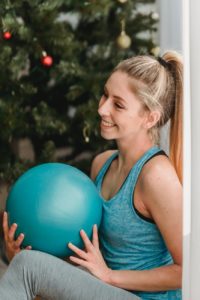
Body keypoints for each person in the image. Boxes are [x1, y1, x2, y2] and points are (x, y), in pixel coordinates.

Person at [0, 50, 182, 300]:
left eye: (118, 104)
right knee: (26, 265)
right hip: (107, 290)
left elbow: (187, 271)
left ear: (150, 118)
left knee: (28, 268)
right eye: (105, 95)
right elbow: (85, 253)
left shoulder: (156, 176)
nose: (103, 109)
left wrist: (110, 276)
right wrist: (22, 252)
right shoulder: (102, 164)